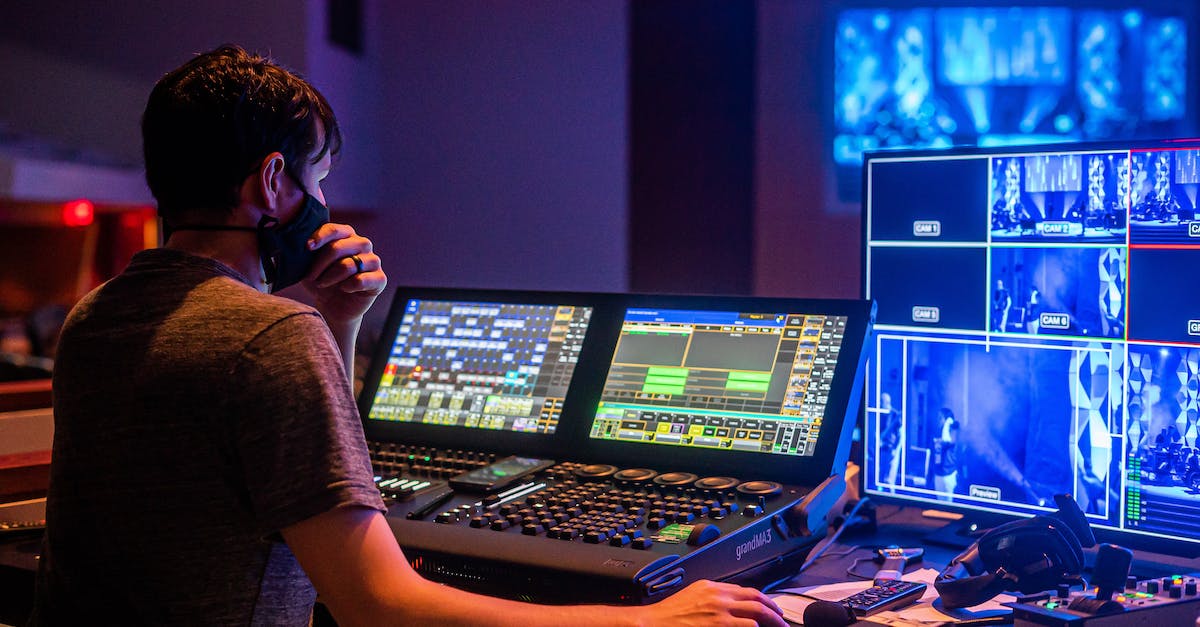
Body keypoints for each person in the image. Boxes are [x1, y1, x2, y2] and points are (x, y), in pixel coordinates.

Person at [31, 46, 785, 627]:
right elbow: (379, 607)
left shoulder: (95, 318)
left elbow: (262, 464)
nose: (322, 202)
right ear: (270, 183)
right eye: (317, 177)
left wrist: (338, 318)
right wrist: (647, 619)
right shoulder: (271, 338)